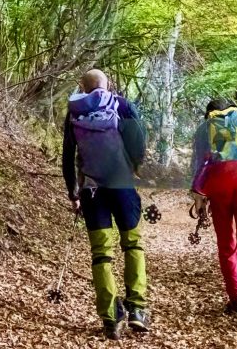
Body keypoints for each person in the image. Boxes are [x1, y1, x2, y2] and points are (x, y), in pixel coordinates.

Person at [62, 69, 149, 340]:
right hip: (122, 185)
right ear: (106, 85)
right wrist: (136, 168)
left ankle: (111, 317)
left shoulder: (74, 112)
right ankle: (136, 309)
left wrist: (73, 193)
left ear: (83, 88)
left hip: (92, 191)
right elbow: (139, 142)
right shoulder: (122, 106)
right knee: (132, 244)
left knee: (101, 254)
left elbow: (67, 156)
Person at [189, 98, 237, 326]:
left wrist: (197, 192)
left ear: (210, 113)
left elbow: (198, 164)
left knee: (226, 245)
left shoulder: (204, 129)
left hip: (218, 183)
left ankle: (236, 299)